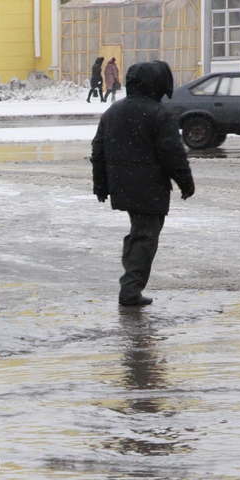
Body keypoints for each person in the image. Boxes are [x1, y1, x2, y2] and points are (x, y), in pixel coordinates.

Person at [91, 60, 195, 307]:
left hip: (122, 185)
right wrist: (185, 182)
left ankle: (130, 283)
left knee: (139, 233)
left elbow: (98, 150)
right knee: (146, 237)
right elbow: (173, 153)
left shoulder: (114, 111)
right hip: (149, 187)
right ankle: (130, 289)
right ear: (156, 84)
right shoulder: (159, 114)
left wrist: (101, 185)